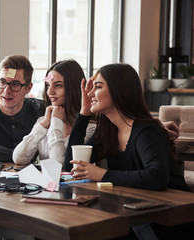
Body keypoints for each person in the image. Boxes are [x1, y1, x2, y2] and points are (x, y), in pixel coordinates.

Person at [65, 63, 191, 239]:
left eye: (98, 87)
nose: (90, 93)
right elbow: (69, 164)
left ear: (119, 90)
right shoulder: (107, 131)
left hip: (169, 220)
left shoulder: (145, 130)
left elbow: (157, 176)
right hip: (135, 213)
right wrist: (84, 112)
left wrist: (102, 174)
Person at [13, 60, 96, 165]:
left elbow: (59, 165)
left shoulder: (90, 128)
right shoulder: (45, 121)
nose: (49, 92)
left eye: (58, 85)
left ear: (73, 88)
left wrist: (56, 122)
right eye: (48, 85)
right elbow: (18, 158)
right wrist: (42, 126)